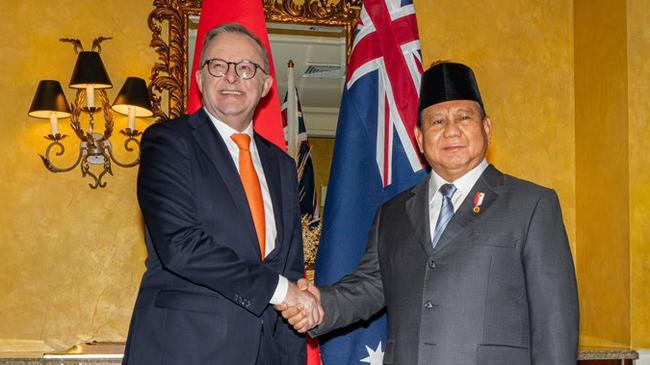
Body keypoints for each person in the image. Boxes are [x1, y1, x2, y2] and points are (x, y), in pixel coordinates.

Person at [280, 62, 579, 365]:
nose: (451, 130)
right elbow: (369, 287)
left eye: (464, 117)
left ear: (486, 128)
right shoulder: (392, 213)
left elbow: (554, 324)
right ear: (419, 138)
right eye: (437, 122)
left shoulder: (531, 205)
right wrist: (320, 304)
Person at [122, 23, 321, 365]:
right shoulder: (168, 142)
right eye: (218, 65)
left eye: (246, 68)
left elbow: (288, 270)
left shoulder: (283, 166)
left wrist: (295, 302)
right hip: (184, 351)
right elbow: (181, 245)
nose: (231, 77)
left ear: (265, 86)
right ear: (200, 79)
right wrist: (281, 290)